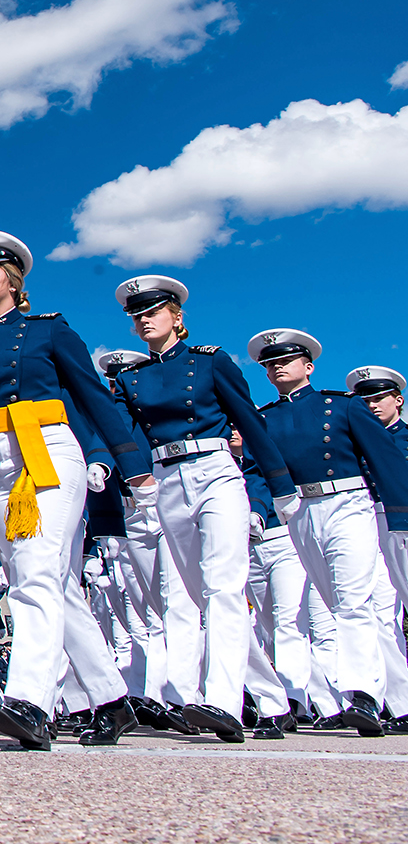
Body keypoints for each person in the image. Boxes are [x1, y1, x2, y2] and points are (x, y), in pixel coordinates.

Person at [0, 232, 154, 750]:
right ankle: (109, 699)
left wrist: (130, 462)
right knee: (48, 582)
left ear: (13, 281)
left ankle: (30, 701)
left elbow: (93, 397)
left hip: (49, 453)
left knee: (34, 574)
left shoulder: (48, 331)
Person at [107, 276, 296, 742]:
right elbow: (125, 437)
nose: (144, 319)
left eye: (153, 311)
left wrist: (279, 484)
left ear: (177, 316)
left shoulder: (210, 362)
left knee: (224, 588)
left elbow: (249, 420)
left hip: (215, 471)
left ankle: (222, 703)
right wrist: (135, 480)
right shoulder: (130, 379)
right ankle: (272, 700)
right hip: (167, 479)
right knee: (193, 596)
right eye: (137, 315)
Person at [252, 329, 408, 735]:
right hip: (300, 512)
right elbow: (256, 470)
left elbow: (385, 457)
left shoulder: (342, 407)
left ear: (308, 366)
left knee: (354, 601)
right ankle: (377, 695)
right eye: (270, 364)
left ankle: (364, 696)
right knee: (335, 605)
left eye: (285, 360)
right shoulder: (264, 418)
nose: (277, 367)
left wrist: (400, 517)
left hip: (350, 503)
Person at [348, 365, 408, 731]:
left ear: (397, 400)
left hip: (402, 519)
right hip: (366, 520)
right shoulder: (352, 443)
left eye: (378, 398)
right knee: (379, 614)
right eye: (364, 399)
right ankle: (400, 705)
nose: (371, 405)